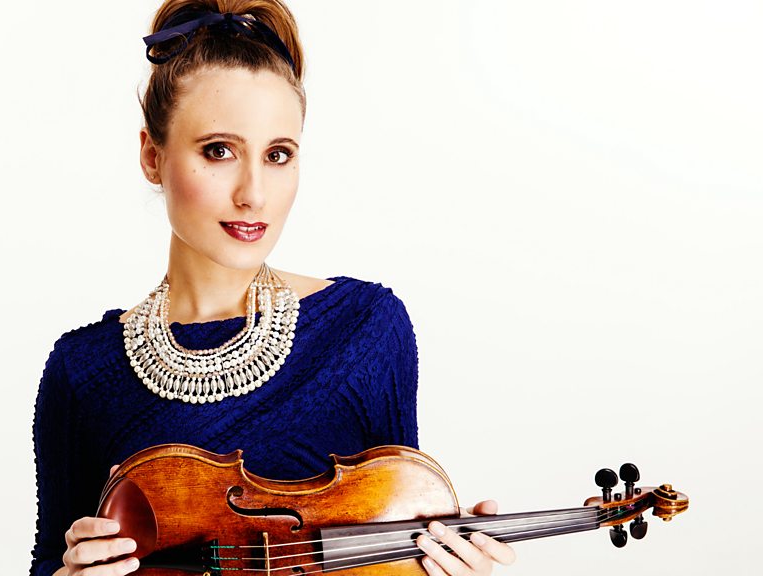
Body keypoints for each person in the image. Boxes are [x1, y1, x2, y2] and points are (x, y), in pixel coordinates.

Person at [30, 2, 517, 575]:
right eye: (219, 151)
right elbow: (49, 560)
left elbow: (396, 544)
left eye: (278, 155)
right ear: (152, 156)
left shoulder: (365, 327)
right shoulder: (82, 369)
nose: (254, 194)